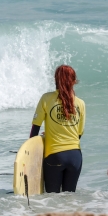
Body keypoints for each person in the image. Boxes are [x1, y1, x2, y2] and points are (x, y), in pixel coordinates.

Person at [30, 65, 85, 193]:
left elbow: (35, 128)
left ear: (56, 79)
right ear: (74, 81)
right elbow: (79, 134)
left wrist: (31, 154)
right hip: (75, 157)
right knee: (69, 200)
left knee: (52, 201)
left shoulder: (46, 98)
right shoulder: (80, 103)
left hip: (55, 156)